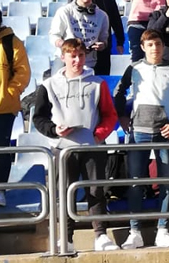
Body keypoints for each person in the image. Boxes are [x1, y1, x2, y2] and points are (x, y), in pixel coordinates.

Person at [32, 38, 117, 249]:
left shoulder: (98, 83)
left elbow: (109, 114)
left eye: (80, 55)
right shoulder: (49, 85)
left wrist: (98, 135)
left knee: (96, 191)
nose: (77, 60)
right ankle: (66, 238)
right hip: (62, 148)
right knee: (64, 191)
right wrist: (54, 130)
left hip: (92, 147)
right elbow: (39, 118)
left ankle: (100, 236)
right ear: (63, 57)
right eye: (72, 56)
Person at [114, 29, 169, 248]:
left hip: (165, 133)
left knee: (166, 182)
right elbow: (118, 93)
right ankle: (134, 230)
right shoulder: (134, 68)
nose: (154, 48)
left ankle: (163, 230)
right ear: (143, 47)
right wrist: (122, 117)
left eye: (158, 44)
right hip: (138, 132)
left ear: (163, 46)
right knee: (136, 182)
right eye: (150, 45)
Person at [0, 4, 29, 209]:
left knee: (2, 151)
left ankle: (0, 190)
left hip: (5, 108)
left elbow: (23, 73)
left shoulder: (13, 43)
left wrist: (10, 92)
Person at [49, 0, 111, 71]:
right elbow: (54, 36)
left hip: (89, 64)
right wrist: (67, 46)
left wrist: (102, 45)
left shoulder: (102, 16)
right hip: (65, 63)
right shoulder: (64, 11)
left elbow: (104, 40)